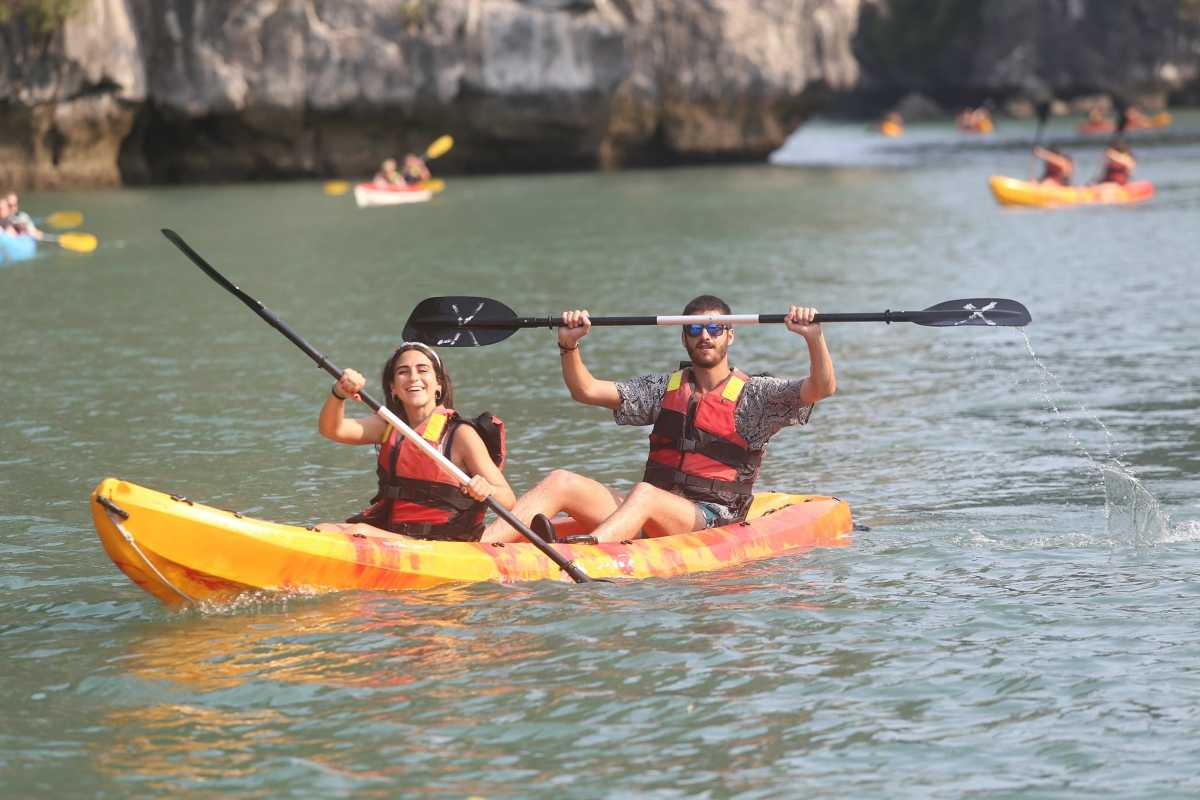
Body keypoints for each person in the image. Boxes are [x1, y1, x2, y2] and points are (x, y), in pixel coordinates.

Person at [481, 295, 836, 545]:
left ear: (730, 334)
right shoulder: (662, 389)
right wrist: (569, 346)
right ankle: (479, 545)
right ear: (684, 338)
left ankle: (588, 551)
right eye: (695, 331)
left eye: (715, 328)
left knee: (645, 494)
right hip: (652, 507)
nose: (706, 336)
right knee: (561, 481)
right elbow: (586, 391)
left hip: (711, 516)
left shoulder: (757, 395)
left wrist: (813, 338)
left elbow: (821, 388)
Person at [316, 341, 516, 541]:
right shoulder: (389, 426)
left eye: (422, 370)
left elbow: (507, 499)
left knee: (358, 531)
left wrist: (486, 489)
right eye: (403, 371)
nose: (413, 378)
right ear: (393, 388)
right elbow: (333, 429)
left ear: (439, 384)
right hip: (397, 534)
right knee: (323, 528)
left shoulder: (460, 435)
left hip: (444, 541)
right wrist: (338, 393)